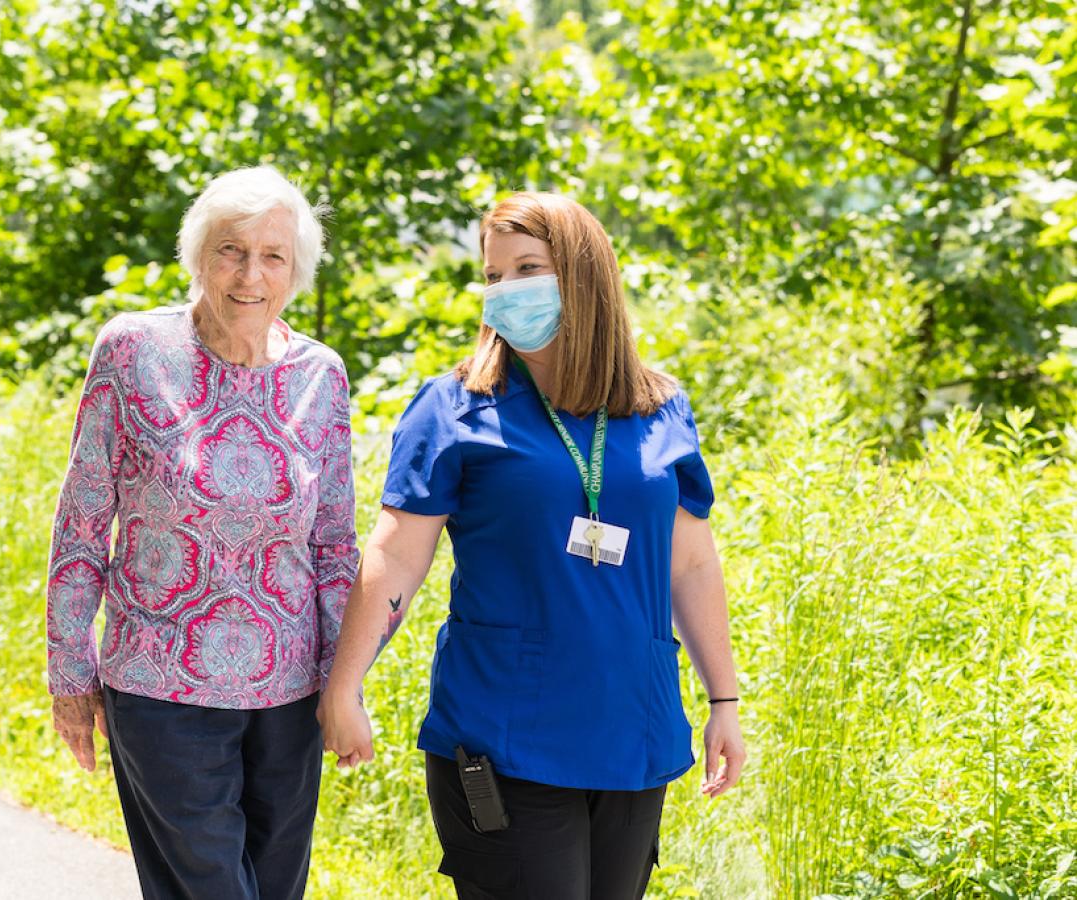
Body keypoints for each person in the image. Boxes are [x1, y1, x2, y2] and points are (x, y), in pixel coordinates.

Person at [319, 192, 746, 900]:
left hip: (631, 734)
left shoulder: (658, 408)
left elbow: (692, 562)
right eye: (492, 276)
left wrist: (723, 700)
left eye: (526, 268)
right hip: (504, 737)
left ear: (583, 276)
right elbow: (396, 554)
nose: (505, 291)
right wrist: (344, 687)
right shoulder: (453, 407)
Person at [46, 166, 358, 900]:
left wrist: (343, 685)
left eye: (273, 256)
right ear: (197, 257)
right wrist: (69, 672)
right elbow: (83, 523)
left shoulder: (322, 375)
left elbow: (336, 547)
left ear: (296, 271)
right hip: (160, 688)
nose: (251, 274)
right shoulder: (130, 351)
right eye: (230, 250)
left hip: (288, 697)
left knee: (274, 889)